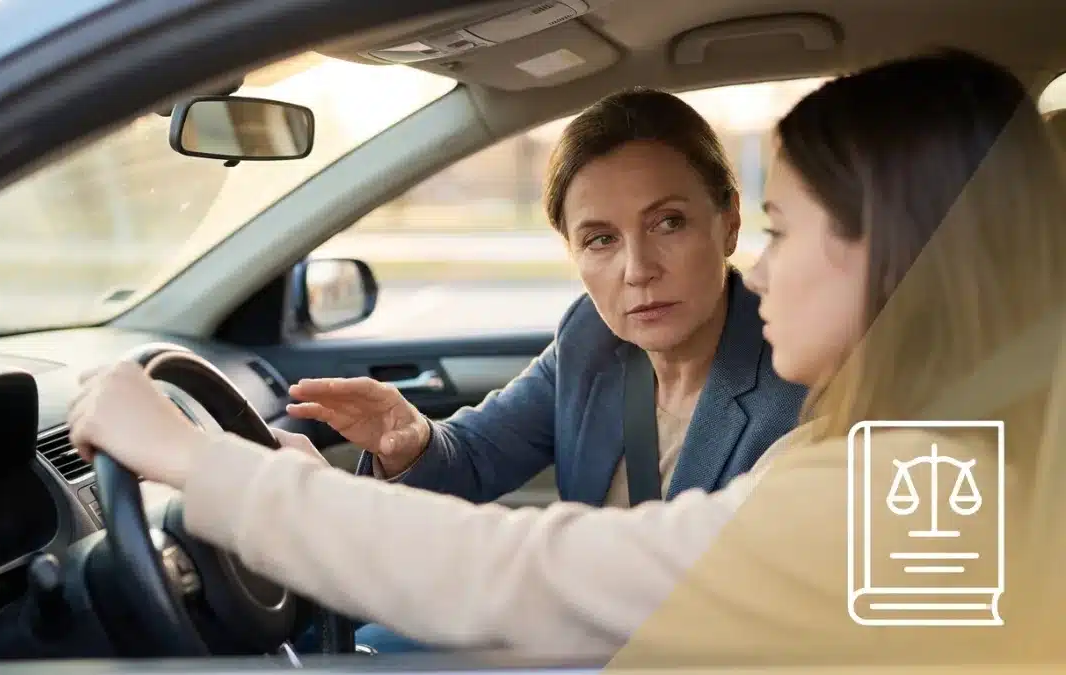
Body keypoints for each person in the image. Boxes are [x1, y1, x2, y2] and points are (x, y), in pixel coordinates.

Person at [68, 48, 1066, 661]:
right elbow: (529, 540)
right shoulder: (907, 461)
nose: (762, 273)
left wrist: (205, 463)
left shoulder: (908, 498)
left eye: (778, 229)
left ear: (892, 250)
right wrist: (402, 456)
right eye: (598, 240)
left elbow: (531, 572)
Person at [288, 89, 807, 652]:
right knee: (352, 643)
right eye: (601, 239)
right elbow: (475, 453)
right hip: (577, 634)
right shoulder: (592, 338)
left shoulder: (800, 380)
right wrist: (411, 443)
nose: (637, 270)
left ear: (728, 223)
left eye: (668, 223)